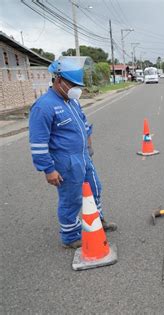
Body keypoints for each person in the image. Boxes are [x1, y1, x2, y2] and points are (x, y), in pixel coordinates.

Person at [29, 58, 117, 249]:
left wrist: (89, 144)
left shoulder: (72, 101)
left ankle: (96, 221)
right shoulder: (43, 106)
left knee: (95, 189)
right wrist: (48, 170)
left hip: (83, 157)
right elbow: (38, 143)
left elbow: (84, 124)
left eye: (78, 85)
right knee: (71, 199)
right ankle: (70, 237)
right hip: (65, 161)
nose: (76, 88)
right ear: (59, 80)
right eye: (73, 84)